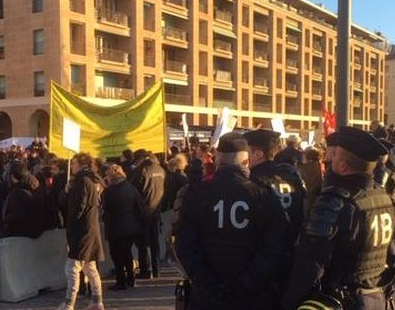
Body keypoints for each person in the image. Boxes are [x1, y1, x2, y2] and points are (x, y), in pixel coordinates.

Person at [282, 126, 395, 310]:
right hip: (376, 298)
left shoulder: (335, 202)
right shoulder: (384, 197)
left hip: (342, 300)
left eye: (333, 156)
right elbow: (391, 255)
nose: (328, 160)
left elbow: (311, 263)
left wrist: (290, 302)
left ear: (343, 166)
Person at [174, 132, 290, 309]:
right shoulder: (263, 196)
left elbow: (184, 244)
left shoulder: (196, 194)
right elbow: (275, 246)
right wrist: (247, 283)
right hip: (251, 296)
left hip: (206, 297)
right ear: (246, 162)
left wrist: (206, 284)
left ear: (218, 160)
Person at [57, 153, 105, 310]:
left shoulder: (83, 181)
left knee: (72, 267)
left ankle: (69, 303)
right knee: (90, 267)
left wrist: (71, 218)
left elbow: (79, 207)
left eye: (75, 163)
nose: (73, 166)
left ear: (82, 164)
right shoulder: (91, 180)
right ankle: (97, 302)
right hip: (89, 228)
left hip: (82, 231)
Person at [243, 129, 306, 244]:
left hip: (264, 247)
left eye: (246, 153)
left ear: (258, 154)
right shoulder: (292, 177)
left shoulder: (252, 181)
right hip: (291, 245)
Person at [102, 164, 148, 290]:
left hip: (116, 227)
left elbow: (106, 209)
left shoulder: (110, 191)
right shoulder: (130, 187)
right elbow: (140, 206)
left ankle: (121, 280)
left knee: (117, 255)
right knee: (127, 253)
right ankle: (131, 278)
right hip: (131, 226)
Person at [130, 152, 165, 279]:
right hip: (156, 209)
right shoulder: (161, 170)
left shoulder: (142, 170)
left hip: (143, 210)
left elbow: (132, 189)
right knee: (154, 241)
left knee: (144, 242)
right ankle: (156, 269)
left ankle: (146, 270)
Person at [0, 161, 46, 239]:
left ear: (12, 176)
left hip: (21, 235)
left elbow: (18, 214)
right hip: (37, 232)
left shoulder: (16, 193)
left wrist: (5, 219)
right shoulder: (36, 186)